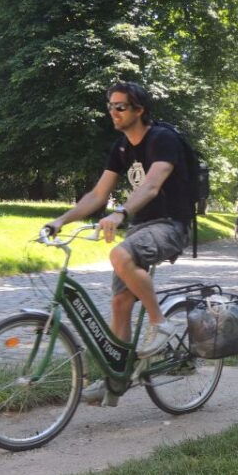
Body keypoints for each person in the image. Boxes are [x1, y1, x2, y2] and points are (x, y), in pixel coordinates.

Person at [45, 82, 192, 403]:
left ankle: (160, 324)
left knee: (119, 255)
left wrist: (121, 213)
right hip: (141, 226)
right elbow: (98, 194)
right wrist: (60, 221)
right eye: (110, 106)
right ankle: (116, 382)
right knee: (119, 303)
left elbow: (152, 186)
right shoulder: (121, 147)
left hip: (171, 224)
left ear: (139, 110)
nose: (113, 112)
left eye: (120, 107)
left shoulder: (162, 139)